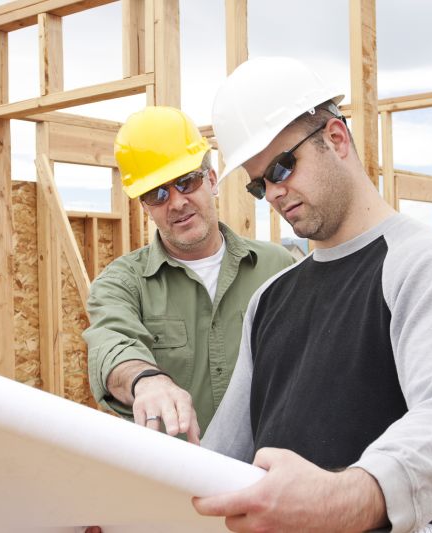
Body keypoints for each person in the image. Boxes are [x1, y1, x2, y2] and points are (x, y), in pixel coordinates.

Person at [193, 57, 432, 532]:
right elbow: (222, 457)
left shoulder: (426, 266)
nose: (273, 193)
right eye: (258, 184)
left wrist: (339, 500)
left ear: (336, 138)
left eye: (282, 167)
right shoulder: (270, 299)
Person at [83, 106, 296, 444]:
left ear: (211, 180)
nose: (177, 203)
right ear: (145, 206)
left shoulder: (277, 267)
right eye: (157, 193)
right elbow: (112, 346)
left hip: (269, 468)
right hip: (173, 472)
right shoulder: (121, 284)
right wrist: (146, 380)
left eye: (187, 181)